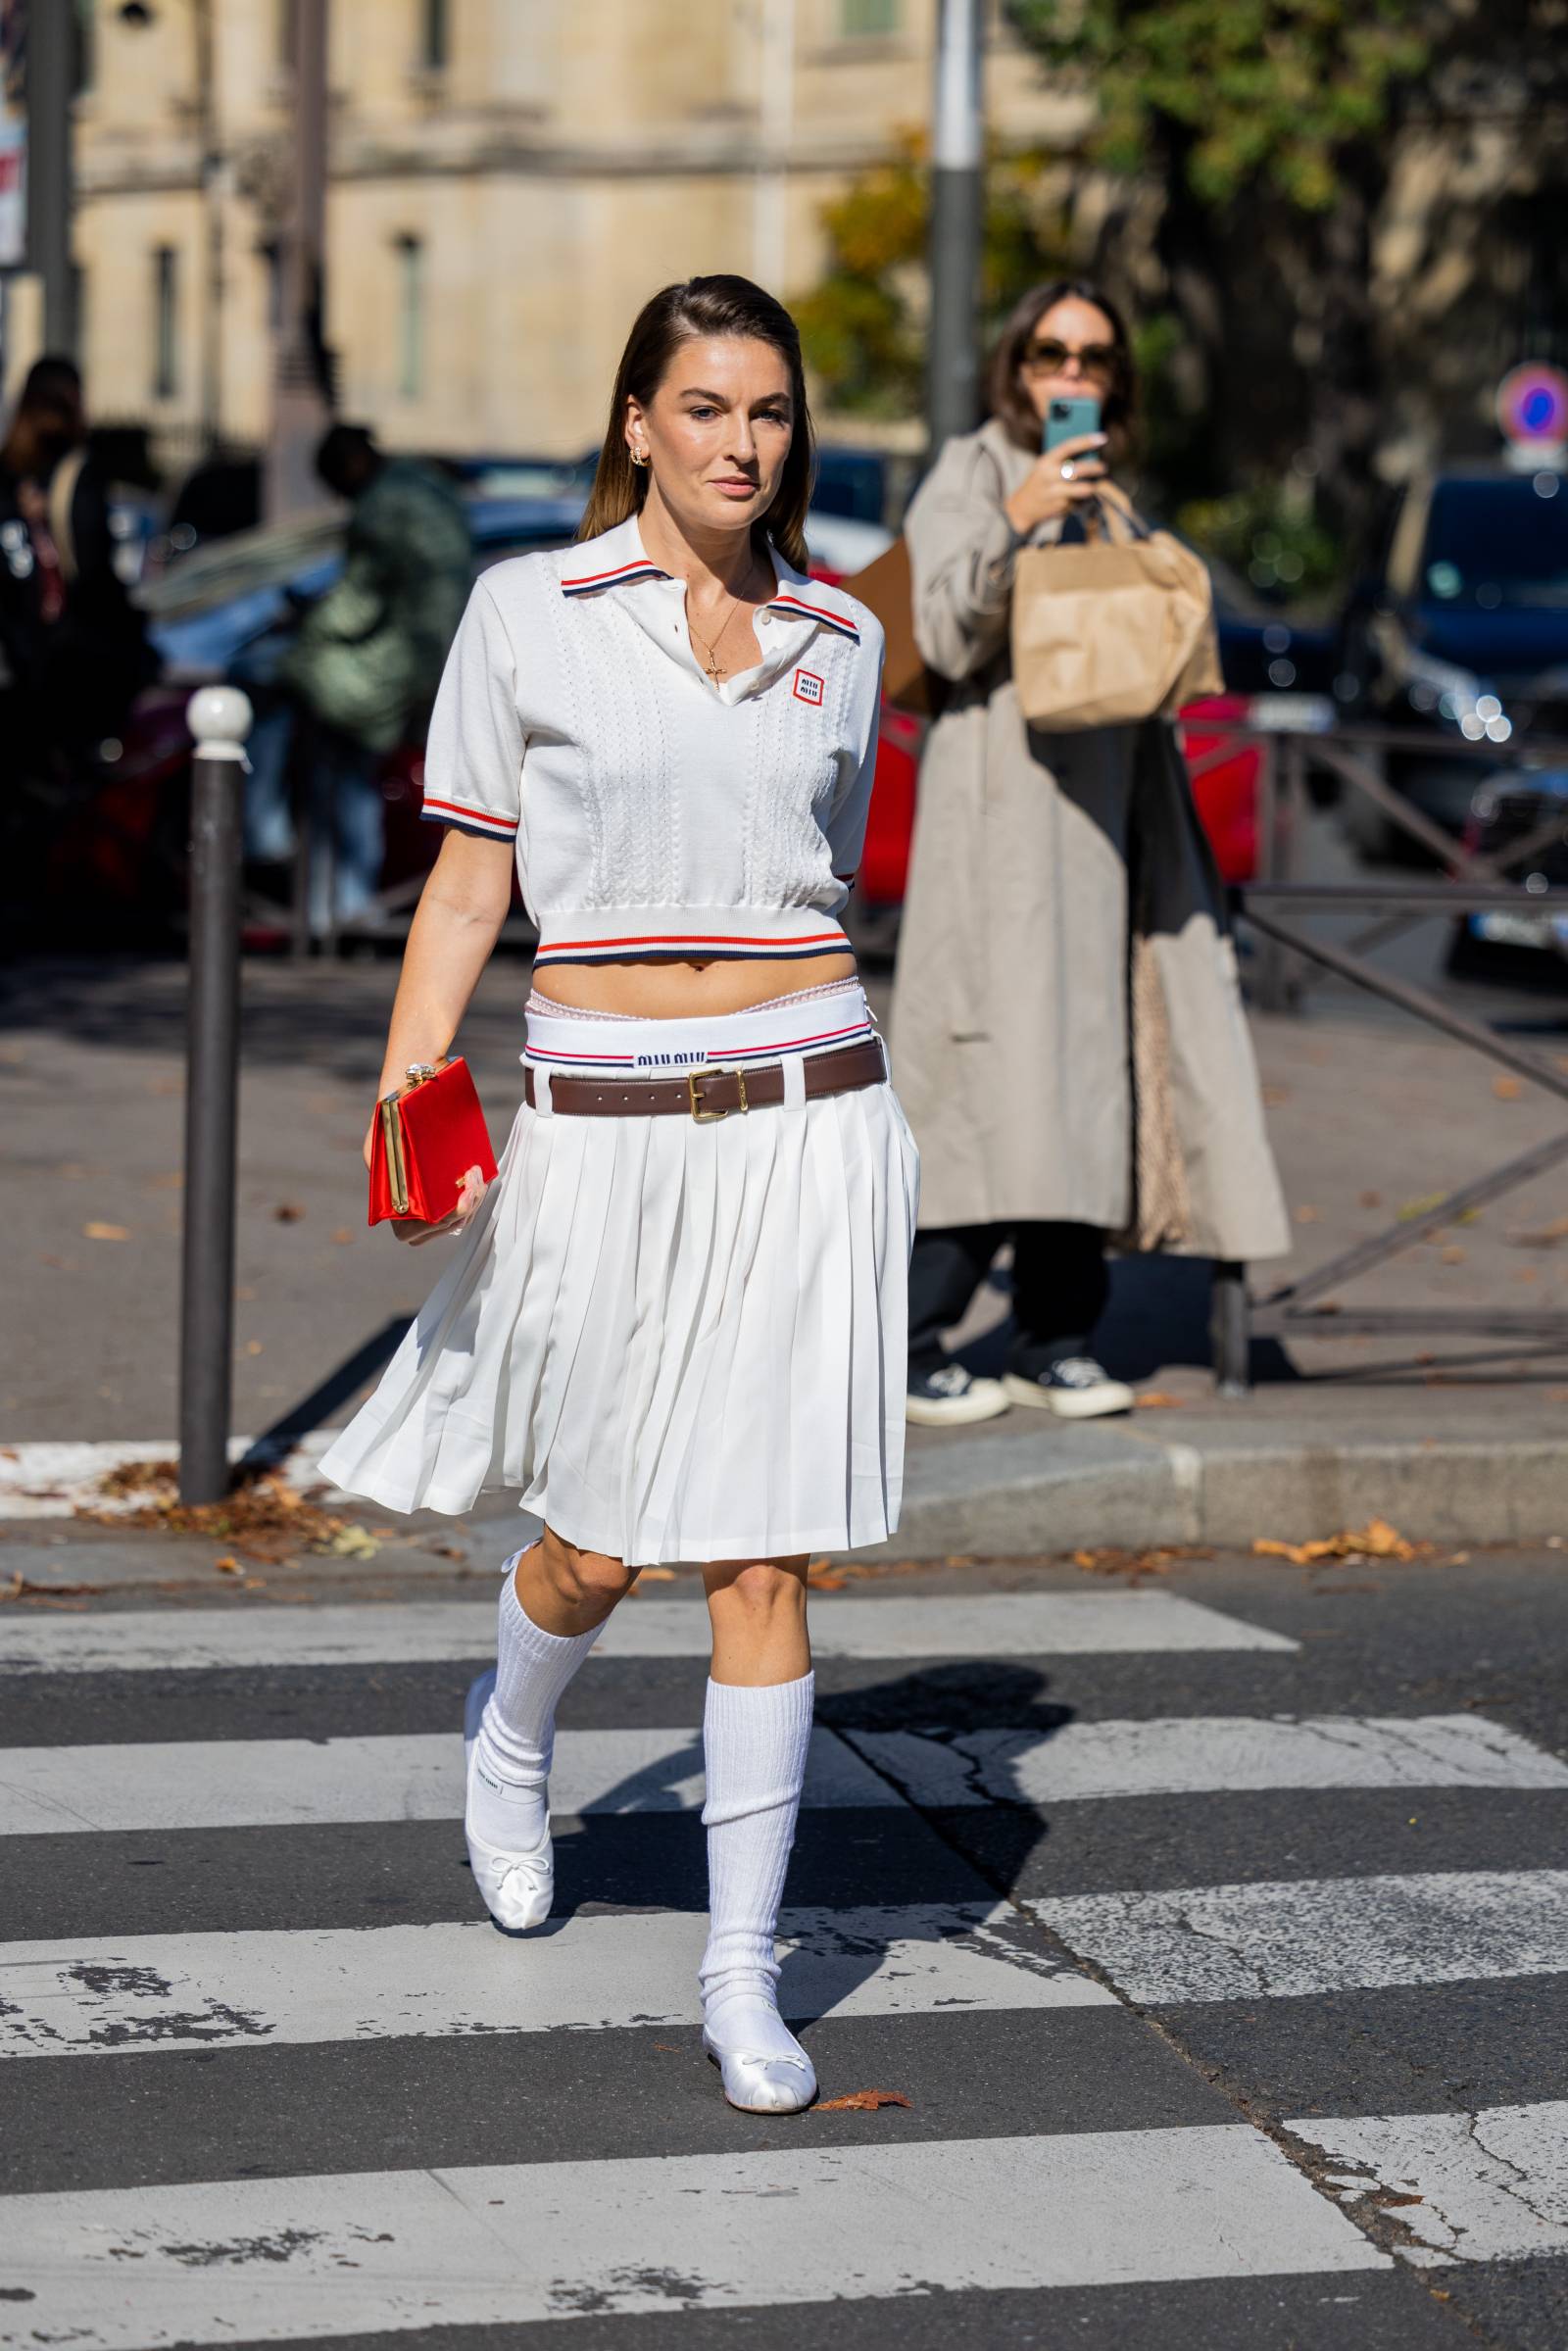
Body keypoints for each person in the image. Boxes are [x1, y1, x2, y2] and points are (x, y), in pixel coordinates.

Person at [319, 276, 910, 2117]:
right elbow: (468, 886)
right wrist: (416, 1079)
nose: (745, 443)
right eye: (708, 406)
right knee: (598, 1536)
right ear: (637, 420)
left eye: (773, 412)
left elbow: (818, 878)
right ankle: (512, 1732)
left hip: (810, 1105)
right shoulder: (526, 612)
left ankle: (744, 1968)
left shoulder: (837, 632)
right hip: (604, 1112)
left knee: (766, 1549)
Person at [892, 279, 1288, 1427]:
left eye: (1094, 358)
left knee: (1082, 1067)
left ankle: (1054, 1333)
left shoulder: (1111, 495)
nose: (1071, 374)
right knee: (980, 1076)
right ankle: (916, 1335)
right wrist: (1017, 518)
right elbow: (942, 631)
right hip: (997, 822)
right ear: (1015, 366)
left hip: (1107, 828)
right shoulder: (970, 473)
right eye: (1050, 353)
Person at [246, 423, 472, 935]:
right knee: (351, 781)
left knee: (264, 680)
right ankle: (345, 905)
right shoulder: (426, 490)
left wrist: (310, 621)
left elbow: (359, 602)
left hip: (385, 664)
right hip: (426, 660)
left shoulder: (384, 507)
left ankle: (265, 831)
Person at [0, 355, 155, 786]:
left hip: (21, 662)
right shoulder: (75, 475)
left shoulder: (11, 476)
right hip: (58, 664)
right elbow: (93, 578)